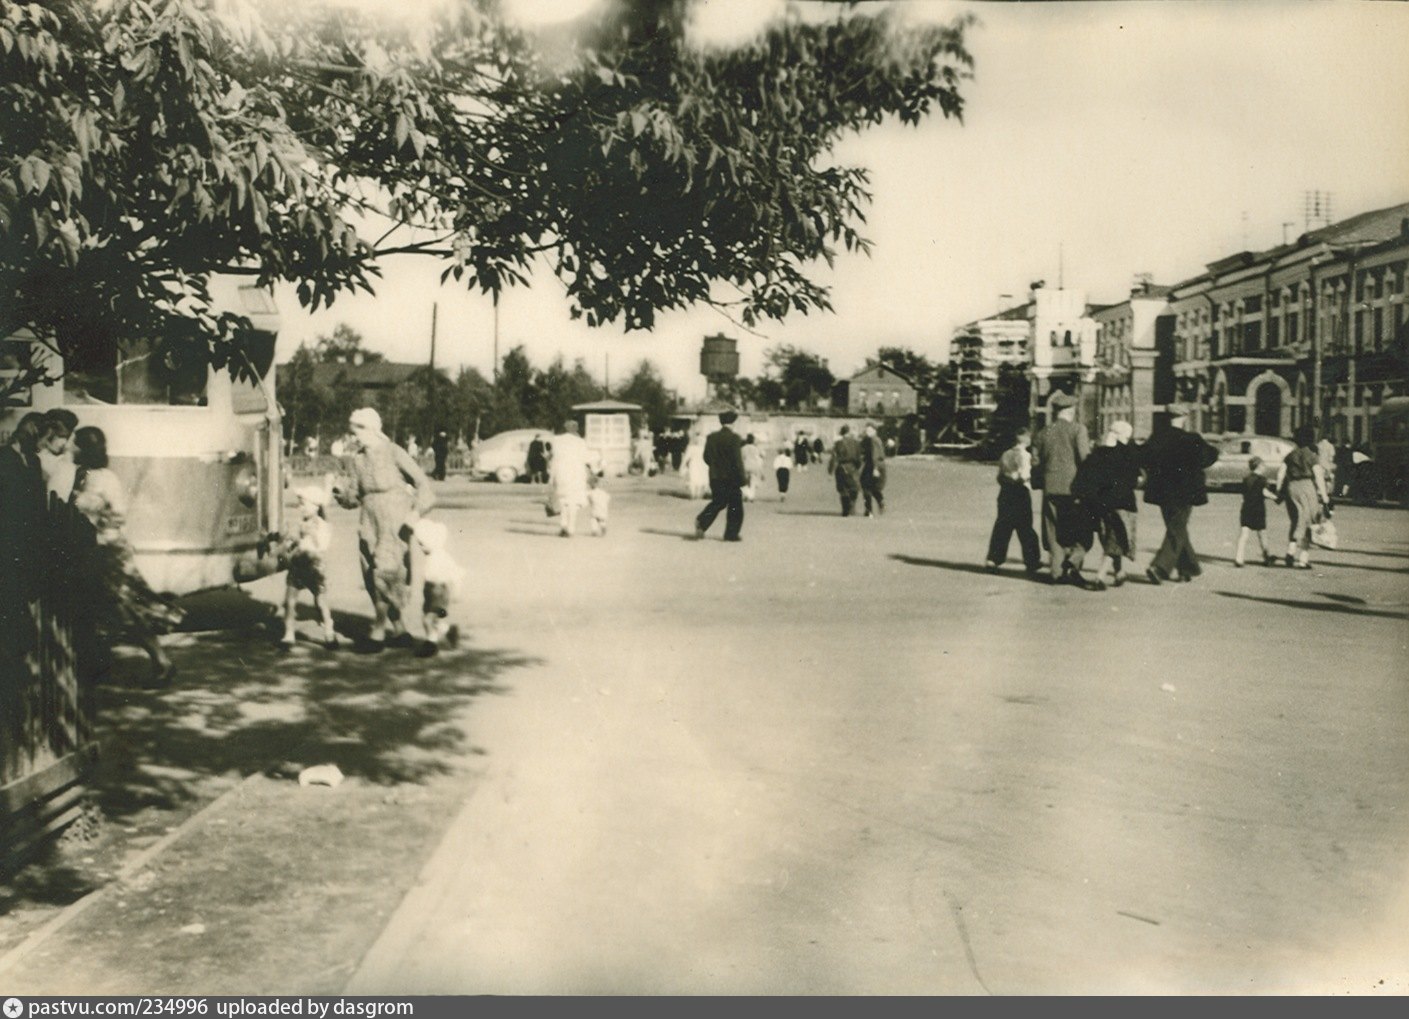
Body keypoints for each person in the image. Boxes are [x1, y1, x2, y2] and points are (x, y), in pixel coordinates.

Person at [68, 426, 183, 685]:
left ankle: (161, 661)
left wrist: (97, 518)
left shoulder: (107, 479)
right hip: (92, 552)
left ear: (87, 449)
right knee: (102, 610)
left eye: (77, 444)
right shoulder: (80, 476)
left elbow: (119, 515)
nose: (72, 449)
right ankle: (100, 665)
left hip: (110, 552)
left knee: (127, 609)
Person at [332, 407, 435, 650]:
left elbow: (423, 484)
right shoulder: (357, 459)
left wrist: (415, 512)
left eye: (356, 431)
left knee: (386, 572)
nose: (353, 437)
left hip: (394, 520)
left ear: (370, 429)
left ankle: (377, 633)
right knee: (371, 574)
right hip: (369, 521)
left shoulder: (394, 451)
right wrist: (339, 492)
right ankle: (399, 631)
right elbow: (354, 496)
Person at [1140, 404, 1218, 584]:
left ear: (1169, 418)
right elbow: (1209, 457)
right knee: (1177, 528)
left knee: (1176, 528)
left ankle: (1187, 568)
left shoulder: (1157, 438)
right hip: (1185, 492)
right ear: (1183, 418)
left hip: (1162, 492)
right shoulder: (1192, 439)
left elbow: (1143, 457)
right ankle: (1159, 568)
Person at [1071, 421, 1141, 589]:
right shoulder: (1127, 454)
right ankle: (1100, 578)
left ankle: (1119, 573)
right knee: (1116, 540)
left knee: (1110, 537)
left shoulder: (1097, 453)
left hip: (1100, 504)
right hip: (1122, 503)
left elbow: (1085, 478)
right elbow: (1134, 480)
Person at [1031, 391, 1091, 584]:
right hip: (1073, 488)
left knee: (1052, 528)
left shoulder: (1042, 432)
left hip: (1050, 486)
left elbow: (1035, 461)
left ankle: (1056, 572)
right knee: (1077, 527)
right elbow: (1084, 459)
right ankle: (1072, 565)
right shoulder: (1078, 430)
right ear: (1071, 410)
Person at [280, 485, 337, 650]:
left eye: (303, 504)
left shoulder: (322, 524)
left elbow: (322, 545)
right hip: (299, 562)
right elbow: (299, 541)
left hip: (314, 564)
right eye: (300, 504)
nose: (300, 507)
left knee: (320, 600)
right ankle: (288, 634)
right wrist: (292, 540)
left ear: (315, 506)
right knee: (290, 600)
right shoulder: (302, 522)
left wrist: (312, 533)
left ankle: (328, 629)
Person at [984, 425, 1041, 576]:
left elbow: (999, 476)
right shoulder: (1025, 456)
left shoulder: (1006, 454)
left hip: (1005, 493)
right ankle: (1032, 560)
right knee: (1026, 528)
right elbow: (1024, 475)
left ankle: (994, 558)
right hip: (1020, 492)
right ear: (1027, 440)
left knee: (1002, 526)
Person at [1275, 425, 1331, 570]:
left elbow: (1280, 474)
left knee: (1296, 520)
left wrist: (1278, 489)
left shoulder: (1290, 455)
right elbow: (1318, 476)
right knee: (1308, 522)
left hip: (1291, 487)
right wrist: (1324, 496)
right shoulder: (1312, 455)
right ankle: (1303, 560)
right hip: (1307, 487)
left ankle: (1290, 551)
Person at [411, 518, 464, 657]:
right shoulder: (432, 555)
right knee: (434, 619)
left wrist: (457, 592)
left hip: (440, 592)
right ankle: (448, 631)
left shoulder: (442, 557)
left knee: (428, 619)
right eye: (419, 544)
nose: (421, 548)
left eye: (423, 544)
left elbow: (456, 574)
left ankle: (431, 644)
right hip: (430, 591)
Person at [694, 410, 746, 542]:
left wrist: (715, 466)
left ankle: (702, 521)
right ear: (733, 423)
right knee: (736, 505)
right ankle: (731, 534)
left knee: (718, 502)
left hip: (715, 476)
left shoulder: (711, 437)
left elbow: (706, 457)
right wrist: (742, 477)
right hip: (731, 478)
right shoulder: (735, 438)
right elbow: (737, 460)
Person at [548, 420, 592, 537]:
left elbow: (553, 459)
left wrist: (551, 477)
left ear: (565, 428)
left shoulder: (557, 440)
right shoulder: (580, 442)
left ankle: (563, 524)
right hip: (576, 474)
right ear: (576, 429)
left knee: (563, 500)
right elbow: (586, 459)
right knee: (574, 502)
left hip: (561, 473)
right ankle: (571, 528)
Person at [1234, 457, 1276, 567]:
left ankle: (1239, 558)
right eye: (1263, 466)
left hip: (1247, 507)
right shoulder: (1262, 480)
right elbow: (1265, 492)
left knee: (1244, 534)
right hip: (1258, 508)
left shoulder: (1246, 479)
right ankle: (1266, 557)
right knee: (1262, 533)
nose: (1264, 468)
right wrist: (1275, 497)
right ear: (1259, 466)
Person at [37, 408, 79, 503]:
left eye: (67, 437)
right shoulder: (40, 457)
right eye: (61, 436)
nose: (64, 442)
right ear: (49, 432)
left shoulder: (65, 458)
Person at [828, 425, 863, 517]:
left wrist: (830, 471)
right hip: (852, 467)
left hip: (841, 467)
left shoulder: (838, 443)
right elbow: (859, 458)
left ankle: (845, 509)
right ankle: (852, 506)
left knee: (843, 489)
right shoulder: (856, 443)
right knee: (854, 488)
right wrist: (857, 467)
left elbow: (834, 457)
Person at [860, 423, 887, 517]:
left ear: (874, 431)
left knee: (865, 486)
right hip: (879, 465)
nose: (867, 432)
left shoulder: (873, 440)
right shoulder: (876, 440)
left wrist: (875, 468)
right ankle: (880, 501)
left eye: (869, 431)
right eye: (866, 431)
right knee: (874, 487)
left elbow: (875, 455)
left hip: (872, 465)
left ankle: (869, 510)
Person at [683, 432, 709, 500]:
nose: (700, 441)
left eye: (701, 440)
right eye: (698, 439)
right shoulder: (692, 448)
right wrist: (683, 465)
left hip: (701, 465)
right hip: (695, 464)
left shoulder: (704, 448)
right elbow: (686, 457)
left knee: (699, 479)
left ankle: (697, 494)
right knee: (694, 478)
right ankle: (694, 494)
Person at [587, 471, 612, 536]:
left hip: (595, 509)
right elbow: (608, 498)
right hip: (603, 509)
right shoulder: (603, 492)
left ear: (590, 485)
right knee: (602, 520)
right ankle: (603, 526)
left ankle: (594, 530)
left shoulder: (590, 492)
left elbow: (589, 500)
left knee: (593, 519)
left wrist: (590, 502)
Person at [741, 434, 763, 502]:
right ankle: (751, 496)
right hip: (754, 466)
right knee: (753, 482)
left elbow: (742, 458)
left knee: (745, 482)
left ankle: (746, 494)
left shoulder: (743, 448)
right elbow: (758, 458)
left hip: (745, 466)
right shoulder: (756, 448)